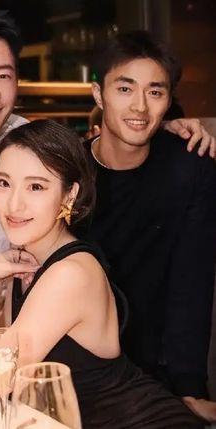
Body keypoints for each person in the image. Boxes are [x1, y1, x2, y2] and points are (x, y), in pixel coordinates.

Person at [0, 10, 216, 361]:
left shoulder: (35, 148)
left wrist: (161, 127)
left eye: (3, 75)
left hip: (31, 361)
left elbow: (190, 285)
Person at [0, 119, 205, 429]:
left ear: (69, 195)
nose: (14, 203)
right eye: (4, 183)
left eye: (36, 186)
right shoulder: (26, 261)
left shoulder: (69, 275)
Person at [84, 31, 216, 410]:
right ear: (99, 95)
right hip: (84, 371)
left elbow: (191, 283)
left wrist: (189, 387)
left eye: (154, 92)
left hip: (159, 373)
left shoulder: (189, 168)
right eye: (125, 89)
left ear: (168, 101)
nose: (140, 106)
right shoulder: (70, 171)